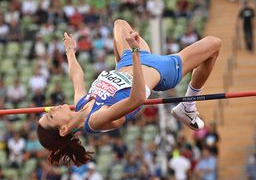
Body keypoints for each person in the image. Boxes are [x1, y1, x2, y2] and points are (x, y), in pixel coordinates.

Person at [37, 19, 221, 166]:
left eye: (47, 113)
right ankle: (188, 107)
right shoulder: (95, 120)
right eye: (51, 117)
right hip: (160, 71)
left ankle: (186, 106)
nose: (51, 110)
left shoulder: (81, 103)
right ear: (63, 129)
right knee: (214, 45)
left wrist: (70, 51)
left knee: (120, 24)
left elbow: (77, 77)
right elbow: (138, 98)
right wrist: (134, 51)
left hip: (129, 63)